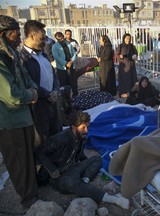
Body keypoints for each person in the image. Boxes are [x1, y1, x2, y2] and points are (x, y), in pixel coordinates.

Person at [35, 111, 130, 209]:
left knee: (97, 159)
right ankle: (114, 199)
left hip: (72, 168)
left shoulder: (80, 137)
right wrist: (52, 169)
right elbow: (39, 152)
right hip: (58, 176)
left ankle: (84, 181)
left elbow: (78, 154)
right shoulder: (60, 139)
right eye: (83, 127)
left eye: (87, 127)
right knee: (72, 183)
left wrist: (88, 163)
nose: (86, 131)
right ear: (73, 127)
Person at [0, 15, 39, 209]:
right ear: (4, 35)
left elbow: (26, 78)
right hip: (9, 122)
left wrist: (33, 90)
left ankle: (32, 191)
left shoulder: (12, 55)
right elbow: (11, 94)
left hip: (23, 117)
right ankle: (28, 199)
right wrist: (29, 94)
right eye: (15, 34)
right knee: (18, 161)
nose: (18, 38)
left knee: (28, 157)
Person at [20, 20, 62, 139]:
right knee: (43, 141)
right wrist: (47, 94)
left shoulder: (44, 56)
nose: (45, 42)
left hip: (53, 102)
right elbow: (27, 83)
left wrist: (55, 91)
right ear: (32, 36)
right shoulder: (23, 59)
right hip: (38, 107)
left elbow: (54, 76)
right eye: (42, 38)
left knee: (57, 137)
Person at [52, 31, 78, 97]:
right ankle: (66, 99)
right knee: (64, 85)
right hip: (62, 68)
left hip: (71, 66)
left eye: (61, 38)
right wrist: (65, 63)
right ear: (56, 39)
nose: (61, 40)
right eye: (59, 39)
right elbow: (56, 57)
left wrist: (72, 61)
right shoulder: (55, 46)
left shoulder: (68, 44)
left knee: (73, 83)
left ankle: (75, 97)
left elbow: (74, 53)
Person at [116, 33, 138, 98]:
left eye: (129, 38)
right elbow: (117, 55)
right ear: (124, 39)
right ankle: (123, 93)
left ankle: (131, 93)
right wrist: (120, 56)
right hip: (124, 66)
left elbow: (136, 53)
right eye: (126, 38)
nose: (128, 40)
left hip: (131, 66)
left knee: (132, 80)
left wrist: (134, 56)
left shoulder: (132, 46)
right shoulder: (120, 46)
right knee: (124, 80)